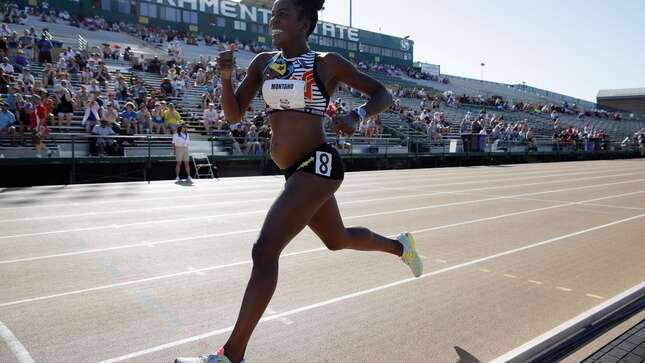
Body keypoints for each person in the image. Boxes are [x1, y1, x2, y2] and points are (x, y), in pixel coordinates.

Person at [175, 1, 423, 362]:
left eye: (283, 12)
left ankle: (231, 356)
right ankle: (402, 247)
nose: (274, 17)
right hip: (295, 172)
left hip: (319, 164)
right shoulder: (263, 63)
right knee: (337, 240)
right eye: (272, 12)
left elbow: (381, 94)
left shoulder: (326, 63)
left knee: (264, 250)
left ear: (305, 23)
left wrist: (357, 114)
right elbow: (233, 114)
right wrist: (226, 79)